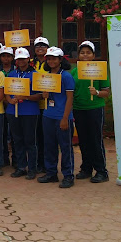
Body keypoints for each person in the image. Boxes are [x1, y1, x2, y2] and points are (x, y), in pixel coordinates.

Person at [71, 40, 111, 183]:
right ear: (78, 55)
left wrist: (97, 92)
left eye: (88, 53)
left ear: (93, 55)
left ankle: (101, 171)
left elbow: (106, 92)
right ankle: (86, 169)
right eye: (82, 53)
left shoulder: (100, 70)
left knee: (95, 140)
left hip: (95, 109)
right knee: (83, 140)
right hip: (79, 109)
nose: (85, 55)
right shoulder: (74, 71)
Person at [37, 46, 76, 188]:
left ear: (60, 60)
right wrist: (44, 94)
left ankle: (68, 175)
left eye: (54, 58)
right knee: (49, 146)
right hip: (48, 115)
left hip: (62, 116)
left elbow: (70, 98)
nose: (51, 61)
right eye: (49, 59)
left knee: (65, 147)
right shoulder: (46, 76)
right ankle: (51, 173)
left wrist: (65, 118)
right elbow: (45, 95)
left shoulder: (66, 76)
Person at [5, 48, 42, 180]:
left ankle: (32, 168)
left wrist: (26, 97)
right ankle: (21, 167)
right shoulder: (11, 74)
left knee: (30, 141)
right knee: (17, 140)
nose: (21, 61)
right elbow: (6, 93)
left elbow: (40, 96)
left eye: (23, 58)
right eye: (18, 59)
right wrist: (10, 100)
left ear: (28, 59)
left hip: (29, 112)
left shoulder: (35, 75)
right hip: (13, 111)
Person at [32, 36, 50, 174]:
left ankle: (47, 164)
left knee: (47, 137)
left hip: (48, 105)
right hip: (33, 105)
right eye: (37, 45)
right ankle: (38, 163)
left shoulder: (52, 63)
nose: (40, 48)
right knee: (36, 136)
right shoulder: (30, 63)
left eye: (43, 45)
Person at [0, 46, 16, 168]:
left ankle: (16, 158)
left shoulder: (16, 70)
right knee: (2, 133)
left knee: (15, 133)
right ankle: (4, 158)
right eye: (3, 56)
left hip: (14, 104)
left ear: (12, 57)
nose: (6, 58)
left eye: (8, 56)